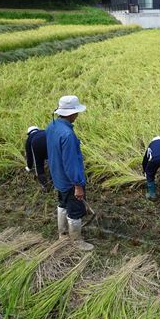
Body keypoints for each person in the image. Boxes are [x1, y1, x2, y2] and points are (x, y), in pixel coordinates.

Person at [46, 95, 93, 251]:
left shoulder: (51, 127)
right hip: (69, 180)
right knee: (75, 210)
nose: (78, 115)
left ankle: (63, 234)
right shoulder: (68, 135)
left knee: (63, 203)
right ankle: (76, 241)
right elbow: (71, 163)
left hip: (58, 176)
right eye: (77, 112)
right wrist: (78, 185)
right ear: (71, 113)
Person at [25, 126, 49, 192]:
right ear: (37, 129)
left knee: (39, 165)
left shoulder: (29, 139)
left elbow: (29, 156)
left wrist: (29, 167)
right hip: (50, 141)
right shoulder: (44, 131)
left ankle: (44, 185)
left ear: (29, 133)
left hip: (36, 144)